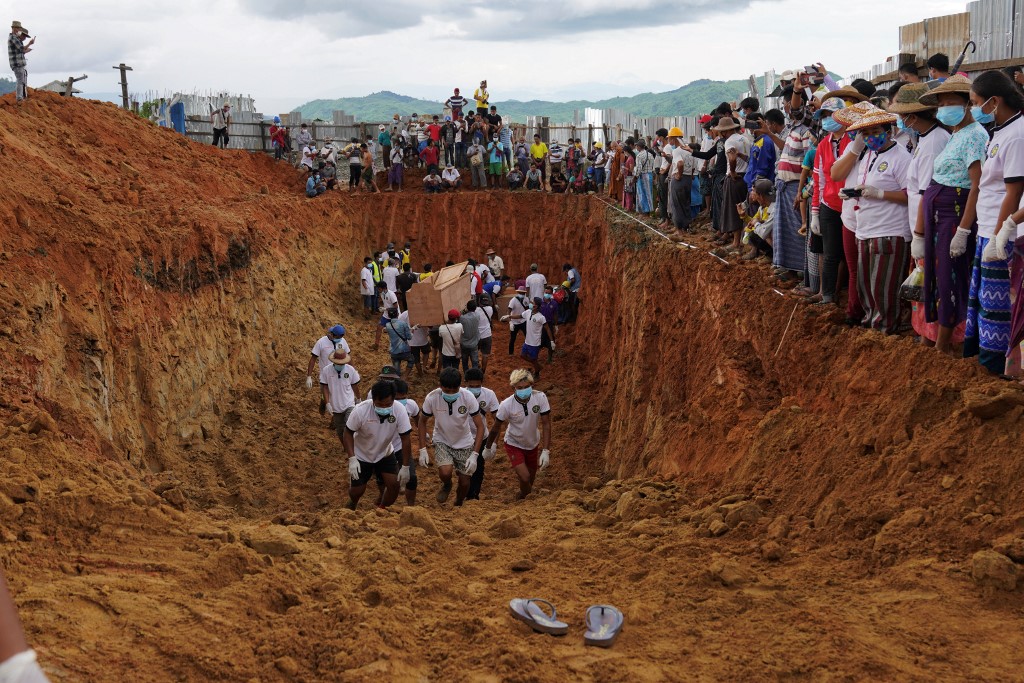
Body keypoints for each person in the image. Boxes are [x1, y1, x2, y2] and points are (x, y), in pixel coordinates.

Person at [915, 75, 988, 355]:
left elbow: (976, 185)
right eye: (941, 103)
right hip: (939, 211)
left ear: (967, 105)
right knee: (937, 274)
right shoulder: (958, 132)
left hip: (954, 213)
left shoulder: (975, 135)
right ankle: (934, 337)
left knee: (950, 277)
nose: (944, 107)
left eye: (951, 103)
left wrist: (964, 229)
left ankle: (945, 344)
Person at [963, 71, 1024, 374]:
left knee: (997, 309)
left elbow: (1013, 192)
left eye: (975, 103)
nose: (973, 109)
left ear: (994, 101)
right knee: (985, 305)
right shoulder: (1002, 132)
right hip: (988, 229)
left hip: (1003, 235)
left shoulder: (1017, 135)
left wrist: (1000, 235)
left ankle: (996, 369)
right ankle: (986, 363)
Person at [835, 108, 912, 333]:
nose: (870, 137)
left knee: (884, 288)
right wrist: (854, 192)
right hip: (865, 230)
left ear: (888, 132)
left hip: (890, 231)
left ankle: (884, 329)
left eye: (875, 131)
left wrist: (879, 194)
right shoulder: (868, 155)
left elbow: (911, 195)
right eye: (866, 133)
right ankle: (871, 324)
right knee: (866, 286)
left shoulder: (901, 158)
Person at [889, 83, 953, 344]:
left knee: (933, 282)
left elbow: (929, 193)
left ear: (912, 117)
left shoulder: (935, 142)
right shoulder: (926, 138)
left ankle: (933, 336)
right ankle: (927, 333)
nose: (902, 121)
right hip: (926, 223)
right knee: (925, 281)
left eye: (903, 116)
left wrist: (919, 233)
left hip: (932, 225)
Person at [418, 368, 485, 506]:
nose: (451, 393)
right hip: (442, 440)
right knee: (445, 472)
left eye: (454, 390)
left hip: (465, 442)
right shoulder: (432, 397)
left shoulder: (468, 397)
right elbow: (422, 421)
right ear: (440, 386)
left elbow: (480, 426)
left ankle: (458, 502)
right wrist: (422, 449)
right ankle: (447, 484)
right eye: (447, 391)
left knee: (465, 482)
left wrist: (475, 454)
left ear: (459, 386)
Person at [342, 380, 412, 510]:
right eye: (380, 404)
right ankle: (353, 501)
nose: (384, 408)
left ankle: (381, 509)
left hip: (384, 453)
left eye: (388, 404)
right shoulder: (360, 410)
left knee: (394, 486)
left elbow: (406, 438)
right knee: (357, 491)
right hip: (362, 455)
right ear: (373, 400)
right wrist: (352, 459)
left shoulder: (399, 410)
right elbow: (347, 433)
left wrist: (405, 466)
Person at [482, 369, 551, 499]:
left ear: (532, 386)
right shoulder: (506, 405)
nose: (524, 390)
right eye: (520, 387)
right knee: (524, 477)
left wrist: (546, 450)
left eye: (527, 387)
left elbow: (546, 424)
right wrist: (488, 446)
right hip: (514, 443)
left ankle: (523, 498)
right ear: (514, 387)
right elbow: (496, 427)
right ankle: (525, 499)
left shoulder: (540, 397)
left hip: (532, 443)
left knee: (530, 478)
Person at [809, 98, 850, 309]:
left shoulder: (854, 139)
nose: (826, 120)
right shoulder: (823, 145)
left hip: (852, 204)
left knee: (850, 255)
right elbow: (819, 181)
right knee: (831, 253)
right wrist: (815, 212)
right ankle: (827, 296)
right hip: (829, 205)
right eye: (823, 116)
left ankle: (847, 298)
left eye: (829, 115)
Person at [461, 368, 499, 500]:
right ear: (466, 383)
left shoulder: (489, 395)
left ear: (482, 383)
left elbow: (497, 421)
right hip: (463, 437)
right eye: (471, 386)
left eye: (478, 386)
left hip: (481, 436)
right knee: (463, 467)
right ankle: (466, 492)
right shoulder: (459, 395)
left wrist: (493, 444)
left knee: (478, 467)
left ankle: (474, 494)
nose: (475, 388)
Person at [320, 347, 361, 437]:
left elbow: (355, 385)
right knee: (340, 431)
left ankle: (354, 448)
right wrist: (327, 403)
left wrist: (358, 398)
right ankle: (347, 447)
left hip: (349, 404)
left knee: (348, 427)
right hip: (336, 407)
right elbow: (325, 387)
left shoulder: (350, 370)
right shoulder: (326, 371)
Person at [502, 297, 547, 378]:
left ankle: (537, 373)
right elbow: (519, 316)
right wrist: (509, 316)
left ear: (536, 306)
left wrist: (551, 341)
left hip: (535, 342)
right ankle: (538, 366)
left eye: (532, 303)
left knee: (534, 359)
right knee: (523, 355)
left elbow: (547, 328)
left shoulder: (541, 317)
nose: (530, 303)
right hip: (527, 341)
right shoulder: (528, 312)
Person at [307, 323, 352, 396]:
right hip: (326, 377)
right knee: (325, 398)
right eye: (337, 337)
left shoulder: (343, 341)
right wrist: (309, 376)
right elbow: (313, 359)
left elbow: (348, 357)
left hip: (341, 375)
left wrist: (353, 371)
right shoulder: (321, 342)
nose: (339, 339)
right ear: (332, 334)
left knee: (340, 396)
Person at [8, 21, 32, 103]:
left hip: (19, 63)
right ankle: (19, 98)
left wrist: (26, 50)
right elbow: (21, 48)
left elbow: (20, 50)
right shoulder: (13, 38)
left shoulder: (15, 38)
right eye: (17, 28)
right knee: (20, 80)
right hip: (17, 63)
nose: (18, 30)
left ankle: (21, 97)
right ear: (14, 28)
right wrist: (29, 44)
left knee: (22, 80)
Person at [373, 281, 400, 350]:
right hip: (386, 314)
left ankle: (396, 346)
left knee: (395, 332)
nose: (378, 290)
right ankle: (376, 344)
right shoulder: (382, 294)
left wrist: (385, 309)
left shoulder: (391, 294)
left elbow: (396, 306)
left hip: (394, 315)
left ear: (383, 288)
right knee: (379, 327)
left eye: (379, 288)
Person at [459, 301, 481, 372]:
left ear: (467, 308)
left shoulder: (462, 318)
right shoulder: (477, 315)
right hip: (474, 343)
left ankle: (466, 375)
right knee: (475, 361)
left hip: (464, 344)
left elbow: (460, 314)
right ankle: (475, 376)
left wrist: (463, 310)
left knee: (465, 361)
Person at [507, 285, 529, 355]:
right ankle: (511, 353)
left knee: (528, 337)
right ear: (518, 292)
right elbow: (508, 311)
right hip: (514, 322)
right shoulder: (513, 300)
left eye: (523, 293)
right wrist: (510, 322)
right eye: (520, 293)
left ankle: (527, 352)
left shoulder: (526, 299)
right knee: (513, 338)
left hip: (523, 321)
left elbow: (527, 310)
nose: (522, 294)